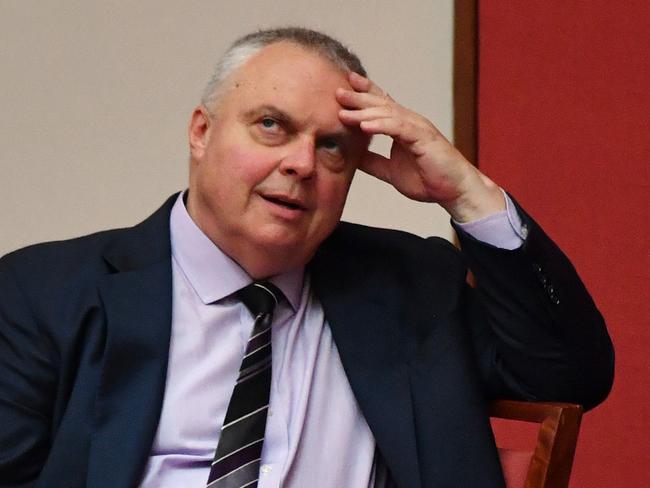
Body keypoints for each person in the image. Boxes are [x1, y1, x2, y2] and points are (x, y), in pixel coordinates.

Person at [0, 27, 613, 488]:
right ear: (200, 132)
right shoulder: (41, 292)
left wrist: (467, 193)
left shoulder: (410, 286)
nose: (300, 164)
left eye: (333, 147)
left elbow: (570, 375)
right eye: (271, 125)